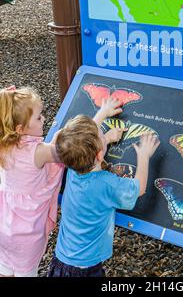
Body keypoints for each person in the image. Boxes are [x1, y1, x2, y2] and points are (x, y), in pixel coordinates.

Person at [0, 85, 122, 278]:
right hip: (25, 232)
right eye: (39, 117)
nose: (44, 119)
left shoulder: (4, 145)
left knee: (5, 269)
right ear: (20, 128)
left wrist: (106, 137)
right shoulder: (37, 152)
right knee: (26, 272)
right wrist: (102, 115)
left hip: (4, 222)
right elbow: (75, 146)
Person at [47, 115, 160, 278]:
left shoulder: (73, 169)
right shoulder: (107, 184)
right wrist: (144, 156)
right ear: (99, 155)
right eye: (102, 134)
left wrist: (106, 136)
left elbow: (80, 147)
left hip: (61, 258)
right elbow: (139, 188)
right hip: (85, 268)